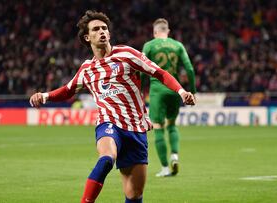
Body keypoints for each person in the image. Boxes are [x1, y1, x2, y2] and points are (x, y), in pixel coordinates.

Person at [30, 11, 195, 203]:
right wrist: (44, 96)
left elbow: (159, 73)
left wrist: (182, 92)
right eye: (96, 29)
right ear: (87, 37)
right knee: (107, 157)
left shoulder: (127, 54)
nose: (102, 31)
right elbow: (68, 90)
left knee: (134, 194)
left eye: (104, 28)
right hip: (109, 123)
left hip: (136, 128)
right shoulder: (86, 69)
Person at [142, 18, 197, 177]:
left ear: (155, 32)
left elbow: (141, 70)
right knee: (172, 125)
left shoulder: (149, 46)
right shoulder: (178, 45)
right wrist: (192, 91)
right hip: (175, 89)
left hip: (157, 90)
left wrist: (139, 90)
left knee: (158, 127)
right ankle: (175, 156)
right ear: (168, 31)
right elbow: (190, 69)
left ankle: (165, 168)